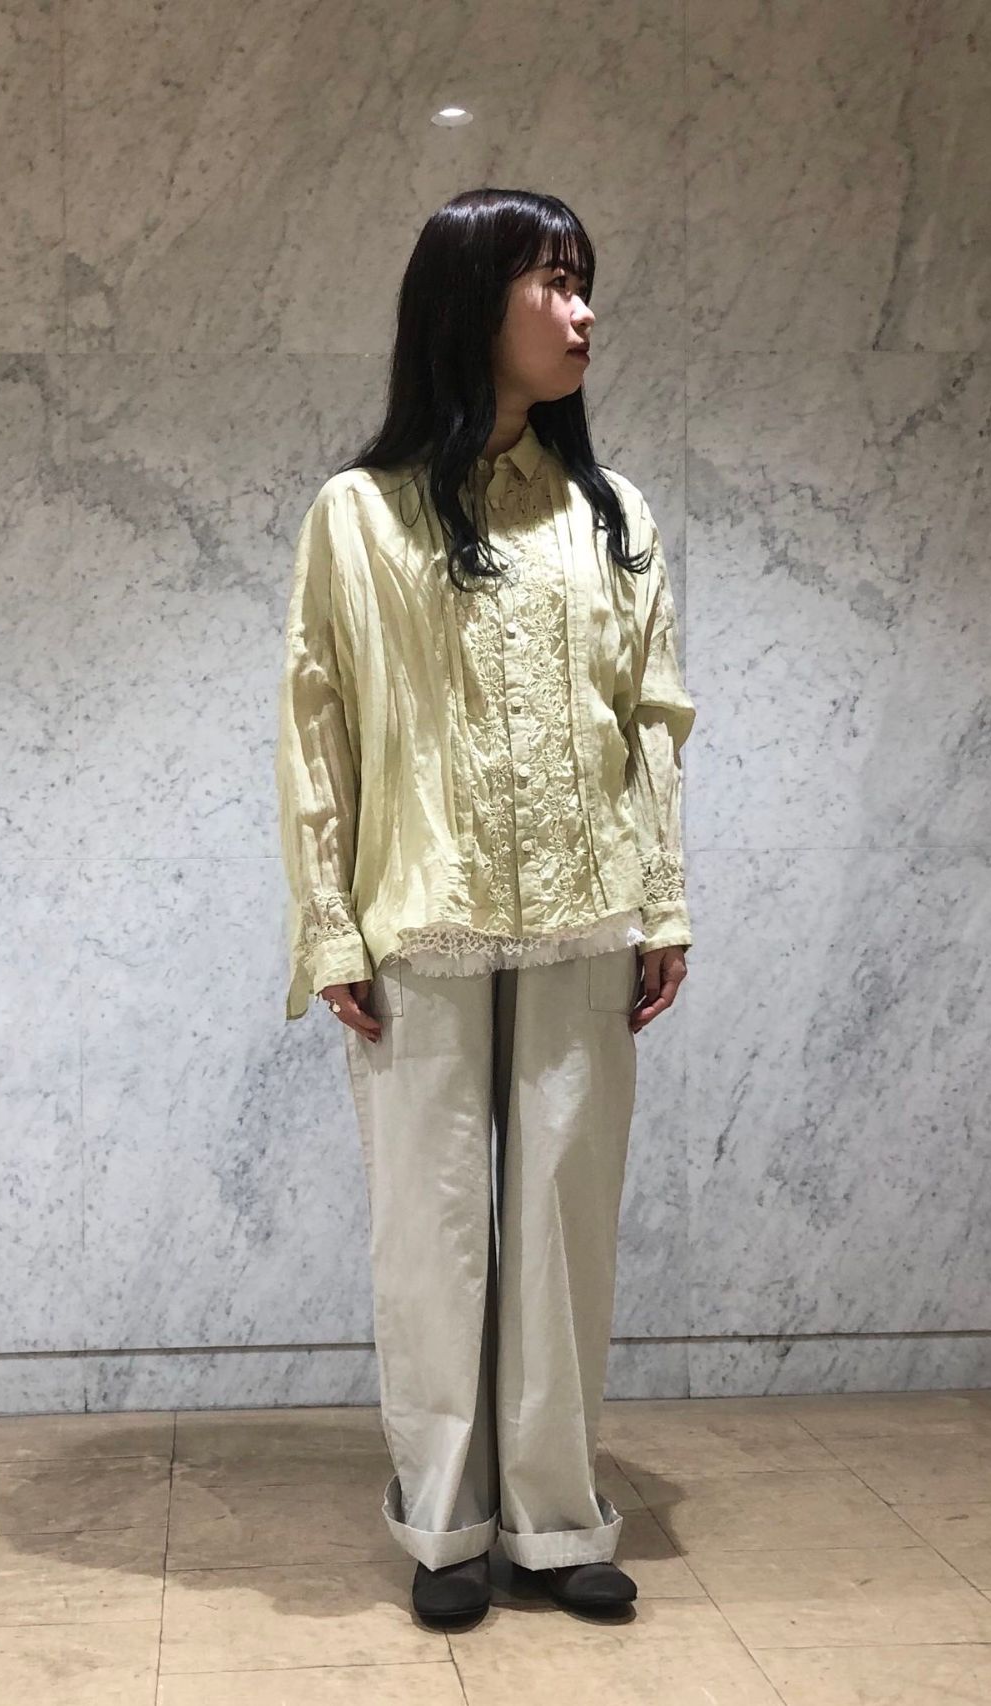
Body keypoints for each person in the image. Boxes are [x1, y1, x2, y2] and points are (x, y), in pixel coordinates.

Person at [275, 189, 696, 1625]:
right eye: (553, 284)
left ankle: (557, 1523)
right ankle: (447, 1525)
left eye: (585, 284)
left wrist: (664, 899)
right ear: (472, 302)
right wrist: (329, 924)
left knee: (566, 1231)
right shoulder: (359, 515)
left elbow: (653, 719)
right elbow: (317, 728)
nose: (583, 314)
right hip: (422, 920)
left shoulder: (615, 516)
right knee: (435, 1229)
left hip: (587, 912)